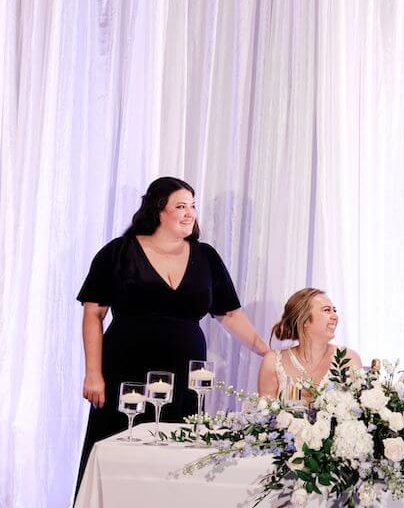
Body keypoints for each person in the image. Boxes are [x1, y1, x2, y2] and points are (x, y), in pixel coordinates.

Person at [76, 177, 269, 490]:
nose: (190, 213)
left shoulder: (206, 257)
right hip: (125, 371)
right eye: (180, 206)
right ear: (158, 210)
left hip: (184, 375)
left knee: (175, 456)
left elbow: (229, 314)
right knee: (117, 450)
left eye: (192, 206)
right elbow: (93, 314)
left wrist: (266, 351)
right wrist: (93, 374)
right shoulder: (118, 252)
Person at [257, 288, 362, 399]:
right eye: (327, 310)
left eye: (334, 310)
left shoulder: (349, 359)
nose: (334, 316)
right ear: (304, 320)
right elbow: (264, 413)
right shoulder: (273, 361)